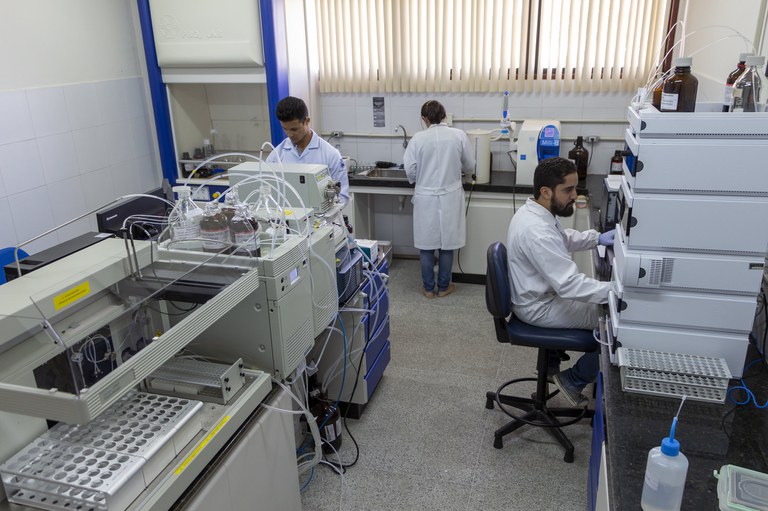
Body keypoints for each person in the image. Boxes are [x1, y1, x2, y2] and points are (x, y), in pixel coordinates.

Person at [506, 156, 615, 406]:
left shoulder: (535, 211)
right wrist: (616, 291)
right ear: (546, 192)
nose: (575, 195)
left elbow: (561, 238)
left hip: (538, 295)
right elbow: (569, 285)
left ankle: (553, 363)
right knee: (613, 324)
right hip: (538, 307)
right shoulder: (536, 231)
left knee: (604, 308)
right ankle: (573, 380)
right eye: (568, 190)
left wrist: (596, 238)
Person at [404, 100, 475, 299]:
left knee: (426, 245)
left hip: (426, 197)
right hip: (450, 196)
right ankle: (444, 287)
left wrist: (422, 176)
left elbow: (410, 170)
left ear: (424, 119)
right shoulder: (458, 135)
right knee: (447, 243)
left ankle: (428, 289)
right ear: (444, 116)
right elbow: (470, 166)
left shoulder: (417, 139)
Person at [266, 96, 349, 204]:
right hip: (287, 213)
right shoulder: (276, 156)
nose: (289, 134)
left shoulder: (330, 155)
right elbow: (267, 192)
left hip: (322, 214)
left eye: (294, 129)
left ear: (307, 121)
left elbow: (342, 197)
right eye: (285, 129)